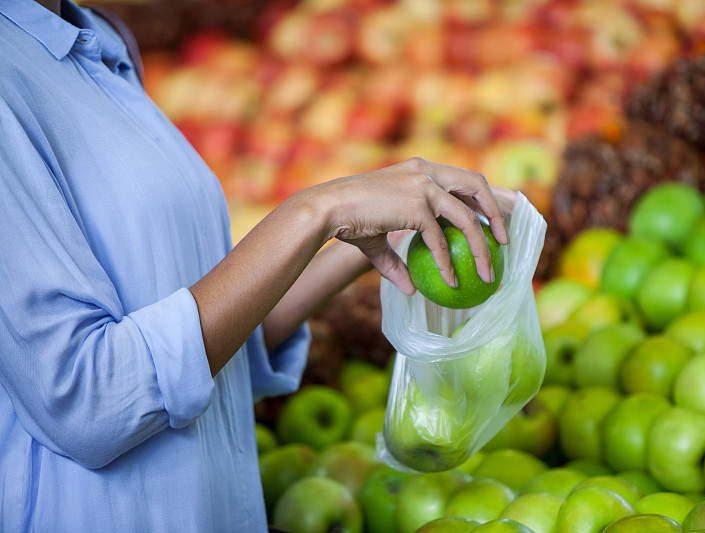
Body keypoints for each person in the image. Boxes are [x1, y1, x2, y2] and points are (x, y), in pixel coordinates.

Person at [0, 1, 514, 531]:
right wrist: (316, 211)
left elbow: (198, 354)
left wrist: (364, 242)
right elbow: (89, 399)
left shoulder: (99, 39)